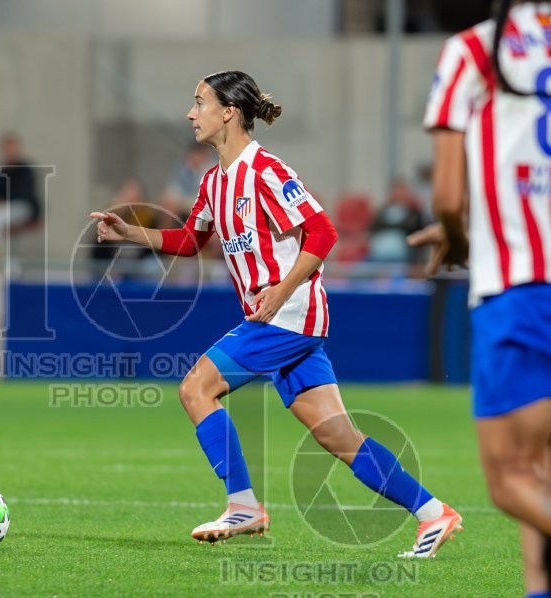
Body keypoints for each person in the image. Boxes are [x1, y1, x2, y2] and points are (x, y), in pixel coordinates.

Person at [91, 70, 461, 556]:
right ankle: (435, 514)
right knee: (338, 436)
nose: (190, 113)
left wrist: (281, 292)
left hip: (288, 317)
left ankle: (243, 504)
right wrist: (129, 234)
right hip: (283, 320)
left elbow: (323, 234)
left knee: (195, 387)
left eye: (199, 102)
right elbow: (190, 241)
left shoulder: (265, 171)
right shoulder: (213, 182)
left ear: (229, 112)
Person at [410, 0, 551, 593]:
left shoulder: (475, 49)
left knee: (512, 478)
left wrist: (463, 234)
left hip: (520, 289)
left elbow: (446, 195)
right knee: (543, 467)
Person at [0, 133, 41, 238]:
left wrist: (3, 202)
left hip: (22, 206)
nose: (9, 151)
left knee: (1, 216)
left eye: (12, 148)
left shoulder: (26, 170)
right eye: (6, 148)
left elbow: (23, 193)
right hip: (0, 206)